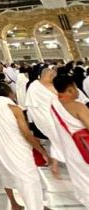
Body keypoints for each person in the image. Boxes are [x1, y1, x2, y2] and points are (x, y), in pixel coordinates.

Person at [0, 82, 45, 210]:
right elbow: (26, 134)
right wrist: (41, 150)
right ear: (10, 93)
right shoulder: (13, 108)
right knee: (29, 181)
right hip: (17, 149)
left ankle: (14, 204)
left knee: (7, 177)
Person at [51, 74, 89, 208]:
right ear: (71, 89)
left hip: (72, 152)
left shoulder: (54, 105)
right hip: (86, 150)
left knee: (84, 182)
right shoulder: (78, 106)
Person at [25, 67, 64, 175]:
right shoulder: (35, 87)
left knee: (58, 140)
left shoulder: (51, 85)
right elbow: (32, 106)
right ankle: (55, 164)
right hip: (46, 118)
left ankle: (55, 164)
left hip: (58, 116)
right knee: (58, 139)